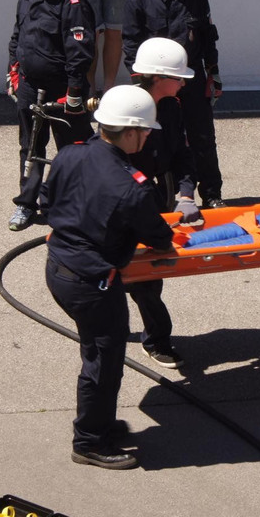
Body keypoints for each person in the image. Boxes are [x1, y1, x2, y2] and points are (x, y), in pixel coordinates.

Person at [42, 85, 173, 470]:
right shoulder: (132, 187)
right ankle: (89, 442)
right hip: (93, 283)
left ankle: (100, 422)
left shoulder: (69, 154)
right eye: (145, 131)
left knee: (99, 353)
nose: (147, 137)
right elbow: (159, 238)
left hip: (59, 267)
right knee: (102, 361)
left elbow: (47, 203)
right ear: (130, 132)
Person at [123, 0, 226, 208]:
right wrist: (142, 84)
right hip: (157, 85)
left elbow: (207, 35)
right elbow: (130, 45)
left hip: (191, 79)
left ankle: (212, 194)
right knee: (157, 140)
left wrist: (213, 71)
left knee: (202, 138)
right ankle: (158, 197)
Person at [7, 0, 94, 232]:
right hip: (30, 86)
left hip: (62, 90)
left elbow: (80, 54)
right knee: (30, 147)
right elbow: (17, 37)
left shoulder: (73, 4)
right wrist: (13, 73)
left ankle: (75, 204)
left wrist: (74, 92)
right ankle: (26, 203)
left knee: (73, 149)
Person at [125, 37, 201, 368]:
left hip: (154, 197)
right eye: (177, 77)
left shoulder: (171, 108)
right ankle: (149, 338)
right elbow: (112, 163)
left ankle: (155, 337)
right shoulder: (127, 109)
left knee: (147, 276)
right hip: (123, 200)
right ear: (157, 77)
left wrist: (186, 195)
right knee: (133, 275)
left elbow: (182, 155)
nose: (183, 83)